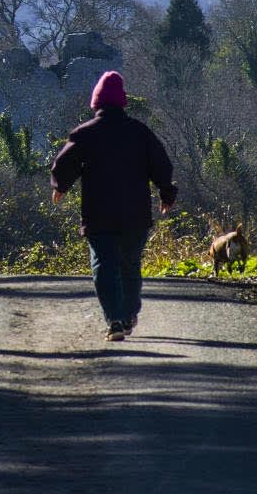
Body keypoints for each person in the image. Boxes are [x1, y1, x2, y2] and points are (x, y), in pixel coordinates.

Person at [50, 71, 176, 339]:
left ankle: (115, 320)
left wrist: (60, 187)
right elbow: (161, 165)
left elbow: (64, 164)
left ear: (96, 103)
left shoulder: (85, 134)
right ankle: (129, 313)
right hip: (135, 214)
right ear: (122, 102)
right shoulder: (140, 133)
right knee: (130, 264)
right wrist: (167, 194)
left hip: (99, 214)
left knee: (104, 266)